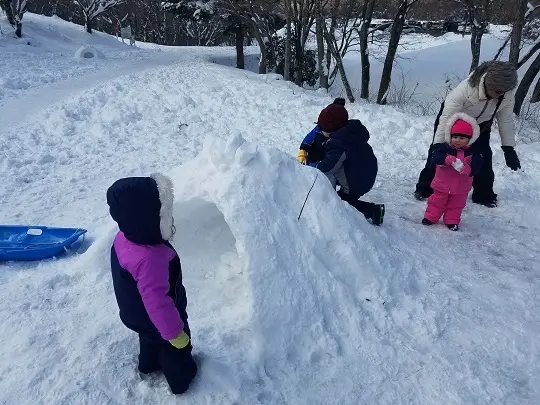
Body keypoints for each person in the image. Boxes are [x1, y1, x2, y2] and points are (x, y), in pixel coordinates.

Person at [106, 173, 197, 395]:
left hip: (135, 313)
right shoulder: (149, 259)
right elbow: (157, 302)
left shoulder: (124, 238)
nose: (170, 218)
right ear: (147, 219)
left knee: (149, 337)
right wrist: (175, 333)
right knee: (173, 347)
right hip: (157, 318)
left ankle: (148, 364)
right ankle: (181, 379)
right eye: (164, 214)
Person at [414, 61, 521, 208]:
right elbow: (446, 118)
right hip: (454, 121)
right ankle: (425, 188)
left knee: (483, 157)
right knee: (439, 155)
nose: (501, 94)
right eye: (498, 91)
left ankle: (483, 195)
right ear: (488, 84)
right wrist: (437, 144)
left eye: (505, 90)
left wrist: (508, 148)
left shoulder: (506, 94)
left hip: (481, 125)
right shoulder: (465, 90)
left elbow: (506, 120)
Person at [298, 99, 385, 225]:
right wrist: (304, 148)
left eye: (323, 128)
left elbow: (326, 167)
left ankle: (373, 211)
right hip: (365, 171)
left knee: (339, 202)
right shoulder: (348, 131)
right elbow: (317, 133)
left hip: (357, 182)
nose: (320, 130)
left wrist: (310, 167)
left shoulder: (339, 143)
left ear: (332, 129)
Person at [422, 113, 483, 231]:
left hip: (461, 187)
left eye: (462, 138)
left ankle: (452, 221)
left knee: (456, 205)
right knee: (436, 202)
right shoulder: (444, 148)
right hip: (442, 184)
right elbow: (435, 158)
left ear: (469, 139)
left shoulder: (474, 152)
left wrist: (468, 169)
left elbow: (477, 165)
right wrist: (447, 159)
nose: (457, 140)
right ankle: (430, 217)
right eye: (455, 137)